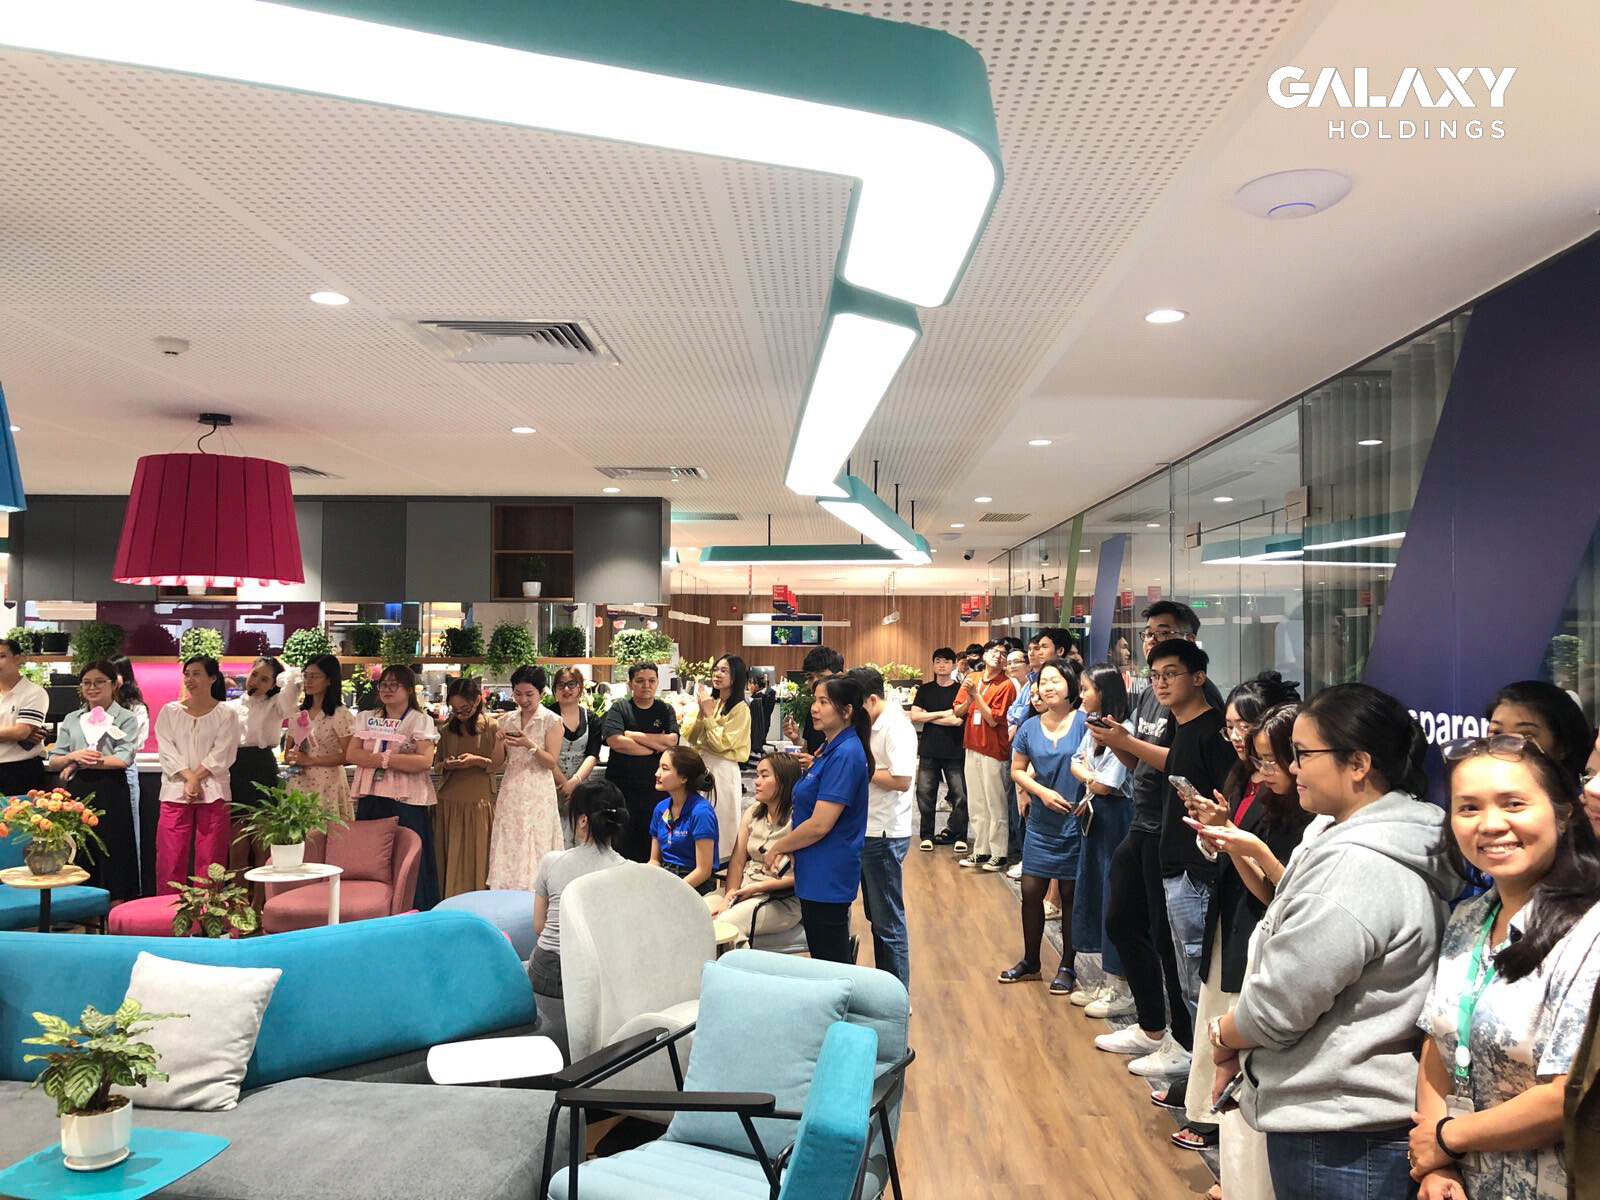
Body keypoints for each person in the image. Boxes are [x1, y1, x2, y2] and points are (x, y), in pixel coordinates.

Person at [1209, 683, 1463, 1199]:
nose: (1292, 767)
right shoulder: (1355, 836)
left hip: (1341, 1135)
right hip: (1345, 1120)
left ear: (1358, 764)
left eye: (1304, 754)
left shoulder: (1358, 867)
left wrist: (1223, 1035)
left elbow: (1278, 1007)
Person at [1408, 733, 1600, 1200]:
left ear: (1562, 812)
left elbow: (1567, 1093)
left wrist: (1447, 1137)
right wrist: (1438, 1167)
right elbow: (1438, 1043)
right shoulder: (1469, 916)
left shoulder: (1589, 930)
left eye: (1514, 804)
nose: (1491, 824)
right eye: (1468, 808)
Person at [1091, 601, 1224, 1079]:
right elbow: (1147, 762)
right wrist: (1119, 743)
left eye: (1164, 633)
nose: (1151, 640)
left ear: (1189, 643)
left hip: (1172, 833)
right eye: (1148, 633)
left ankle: (1183, 1041)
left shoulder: (1203, 704)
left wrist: (1127, 743)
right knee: (1122, 920)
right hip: (1144, 818)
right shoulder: (1153, 694)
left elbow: (1182, 763)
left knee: (1173, 943)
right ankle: (1152, 1026)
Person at [1185, 697, 1309, 1190]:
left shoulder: (1310, 818)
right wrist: (1229, 839)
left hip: (1268, 954)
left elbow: (1284, 897)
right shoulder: (1251, 785)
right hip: (1239, 927)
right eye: (1232, 730)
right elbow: (1263, 884)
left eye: (1274, 759)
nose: (1268, 769)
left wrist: (1244, 844)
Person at [765, 674, 873, 964]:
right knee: (824, 955)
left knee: (831, 962)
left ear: (846, 711)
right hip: (815, 869)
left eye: (824, 702)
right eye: (815, 700)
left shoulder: (846, 754)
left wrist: (779, 846)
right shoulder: (829, 748)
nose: (814, 708)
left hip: (828, 871)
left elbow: (820, 824)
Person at [1001, 658, 1088, 993]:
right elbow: (1017, 770)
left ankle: (1068, 965)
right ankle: (1031, 961)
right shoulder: (1029, 727)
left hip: (1077, 821)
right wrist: (1041, 792)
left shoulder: (1085, 722)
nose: (1048, 687)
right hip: (1041, 821)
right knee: (1031, 891)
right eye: (1043, 682)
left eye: (1055, 681)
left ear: (1071, 685)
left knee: (1070, 895)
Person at [1067, 664, 1136, 1016]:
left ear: (1104, 691)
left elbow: (1109, 784)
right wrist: (1090, 776)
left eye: (1086, 689)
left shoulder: (1125, 730)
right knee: (1093, 893)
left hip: (1118, 819)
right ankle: (1104, 979)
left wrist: (1089, 776)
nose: (1081, 695)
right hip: (1096, 815)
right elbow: (1075, 763)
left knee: (1115, 899)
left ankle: (1121, 986)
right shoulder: (1092, 725)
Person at [528, 778, 628, 1015]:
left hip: (547, 969)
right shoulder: (628, 870)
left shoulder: (552, 861)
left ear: (583, 820)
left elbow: (539, 926)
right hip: (600, 971)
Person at [47, 660, 141, 900]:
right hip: (78, 790)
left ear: (114, 684)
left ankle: (116, 908)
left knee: (114, 848)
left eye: (99, 682)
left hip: (112, 788)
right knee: (81, 848)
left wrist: (79, 761)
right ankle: (83, 905)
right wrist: (72, 756)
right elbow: (55, 760)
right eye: (86, 683)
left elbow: (122, 759)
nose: (92, 688)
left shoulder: (126, 718)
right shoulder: (72, 718)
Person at [350, 664, 440, 909]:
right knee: (371, 857)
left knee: (409, 856)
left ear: (409, 689)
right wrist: (394, 759)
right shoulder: (367, 717)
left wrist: (383, 760)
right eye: (384, 685)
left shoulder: (420, 720)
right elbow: (352, 754)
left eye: (394, 685)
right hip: (371, 794)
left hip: (407, 798)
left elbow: (423, 761)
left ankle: (413, 909)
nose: (387, 690)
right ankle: (371, 908)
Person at [849, 665, 917, 989]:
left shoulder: (896, 727)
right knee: (877, 918)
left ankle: (897, 996)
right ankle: (886, 990)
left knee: (888, 921)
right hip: (869, 828)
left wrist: (859, 768)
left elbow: (902, 779)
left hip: (885, 833)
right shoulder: (872, 723)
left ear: (872, 699)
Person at [153, 656, 242, 896]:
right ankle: (167, 909)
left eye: (196, 674)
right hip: (175, 790)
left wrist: (196, 778)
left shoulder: (226, 713)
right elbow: (166, 749)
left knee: (211, 857)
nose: (190, 679)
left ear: (212, 678)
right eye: (187, 674)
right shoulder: (170, 711)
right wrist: (188, 777)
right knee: (170, 855)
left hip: (214, 790)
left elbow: (223, 752)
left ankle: (208, 909)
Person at [708, 752, 802, 948]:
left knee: (725, 925)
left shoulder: (799, 819)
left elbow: (804, 874)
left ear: (783, 781)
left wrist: (756, 888)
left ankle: (737, 966)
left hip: (780, 898)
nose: (757, 782)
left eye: (764, 776)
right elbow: (737, 861)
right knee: (695, 911)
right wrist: (730, 894)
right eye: (757, 775)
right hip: (744, 888)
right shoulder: (753, 813)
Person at [486, 665, 563, 892]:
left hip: (539, 790)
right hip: (511, 788)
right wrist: (499, 741)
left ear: (541, 692)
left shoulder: (552, 720)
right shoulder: (506, 720)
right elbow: (495, 763)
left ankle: (537, 894)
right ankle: (506, 892)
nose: (523, 699)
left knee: (538, 839)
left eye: (529, 694)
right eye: (518, 694)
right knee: (510, 838)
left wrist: (529, 745)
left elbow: (551, 762)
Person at [602, 662, 680, 862]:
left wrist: (633, 735)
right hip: (622, 788)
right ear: (630, 684)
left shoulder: (665, 710)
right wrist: (655, 748)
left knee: (653, 840)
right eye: (640, 681)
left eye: (651, 681)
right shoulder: (620, 708)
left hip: (655, 788)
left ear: (657, 683)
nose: (646, 685)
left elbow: (672, 741)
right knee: (621, 842)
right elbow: (616, 742)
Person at [434, 676, 504, 898]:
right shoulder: (448, 730)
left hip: (478, 802)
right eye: (455, 710)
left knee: (477, 855)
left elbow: (499, 764)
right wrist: (447, 764)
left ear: (477, 700)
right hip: (449, 801)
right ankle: (448, 901)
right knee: (450, 855)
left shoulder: (492, 726)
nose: (461, 715)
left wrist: (477, 760)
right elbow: (436, 764)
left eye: (465, 709)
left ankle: (478, 901)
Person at [229, 656, 299, 876]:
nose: (256, 682)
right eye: (254, 675)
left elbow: (295, 682)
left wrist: (281, 666)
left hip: (262, 767)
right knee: (236, 844)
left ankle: (263, 895)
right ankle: (238, 895)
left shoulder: (277, 704)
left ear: (273, 684)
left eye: (265, 679)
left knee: (262, 843)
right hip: (234, 768)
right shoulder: (230, 706)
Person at [681, 653, 751, 867]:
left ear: (736, 676)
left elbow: (722, 744)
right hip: (702, 765)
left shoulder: (741, 709)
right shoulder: (713, 702)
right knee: (701, 816)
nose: (717, 674)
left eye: (724, 670)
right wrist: (702, 714)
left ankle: (720, 865)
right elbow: (691, 737)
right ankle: (701, 862)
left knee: (722, 819)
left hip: (723, 769)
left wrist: (709, 716)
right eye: (716, 670)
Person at [954, 641, 1018, 872]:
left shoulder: (1006, 685)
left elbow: (992, 719)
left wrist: (975, 695)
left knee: (995, 802)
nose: (998, 656)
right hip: (971, 746)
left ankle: (999, 853)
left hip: (993, 750)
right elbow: (957, 711)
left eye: (1003, 654)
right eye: (994, 651)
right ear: (984, 655)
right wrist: (970, 698)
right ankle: (981, 849)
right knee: (976, 802)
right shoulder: (973, 677)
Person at [910, 647, 968, 853]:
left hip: (955, 749)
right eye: (938, 661)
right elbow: (914, 716)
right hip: (929, 749)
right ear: (933, 664)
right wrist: (944, 713)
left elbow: (957, 720)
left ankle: (959, 835)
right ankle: (927, 835)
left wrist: (930, 716)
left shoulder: (960, 690)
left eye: (946, 661)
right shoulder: (925, 690)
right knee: (925, 794)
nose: (941, 665)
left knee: (960, 795)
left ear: (953, 665)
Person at [1485, 680, 1593, 790]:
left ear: (1562, 747)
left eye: (1524, 735)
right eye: (1496, 733)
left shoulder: (1583, 799)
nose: (1506, 747)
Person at [283, 654, 354, 822]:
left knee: (327, 830)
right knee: (298, 831)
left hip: (328, 783)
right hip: (299, 781)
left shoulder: (339, 713)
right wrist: (292, 757)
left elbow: (349, 755)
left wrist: (311, 760)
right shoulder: (298, 712)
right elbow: (288, 752)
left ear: (329, 680)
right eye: (306, 675)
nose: (308, 681)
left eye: (314, 676)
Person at [648, 744, 718, 893]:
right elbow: (655, 860)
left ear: (684, 778)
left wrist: (673, 891)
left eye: (665, 769)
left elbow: (703, 871)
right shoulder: (661, 809)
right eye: (659, 767)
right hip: (666, 876)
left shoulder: (701, 812)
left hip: (694, 883)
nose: (657, 773)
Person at [550, 667, 602, 847]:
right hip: (551, 785)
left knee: (581, 835)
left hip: (581, 787)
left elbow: (593, 755)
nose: (566, 689)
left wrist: (574, 782)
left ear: (580, 687)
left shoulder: (592, 719)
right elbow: (544, 753)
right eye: (561, 685)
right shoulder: (546, 716)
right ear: (555, 690)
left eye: (571, 684)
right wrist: (563, 783)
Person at [110, 657, 149, 870]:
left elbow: (135, 743)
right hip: (94, 770)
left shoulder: (136, 709)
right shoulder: (93, 708)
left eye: (114, 673)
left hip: (125, 770)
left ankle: (132, 884)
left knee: (129, 829)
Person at [1003, 645, 1039, 874]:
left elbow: (1019, 714)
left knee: (1027, 808)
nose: (1012, 666)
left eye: (1017, 661)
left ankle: (1029, 860)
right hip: (1020, 748)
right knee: (1017, 804)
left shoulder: (1032, 682)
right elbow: (1013, 713)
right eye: (1010, 663)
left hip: (1029, 752)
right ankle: (1025, 857)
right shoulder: (1027, 685)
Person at [0, 637, 49, 797]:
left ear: (17, 659)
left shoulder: (34, 693)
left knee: (20, 813)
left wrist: (17, 733)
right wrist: (10, 733)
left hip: (19, 771)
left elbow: (21, 732)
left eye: (2, 656)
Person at [784, 645, 844, 761]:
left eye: (821, 676)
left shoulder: (847, 716)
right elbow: (809, 750)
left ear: (839, 676)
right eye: (810, 677)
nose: (815, 682)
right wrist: (796, 739)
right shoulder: (813, 711)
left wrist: (814, 763)